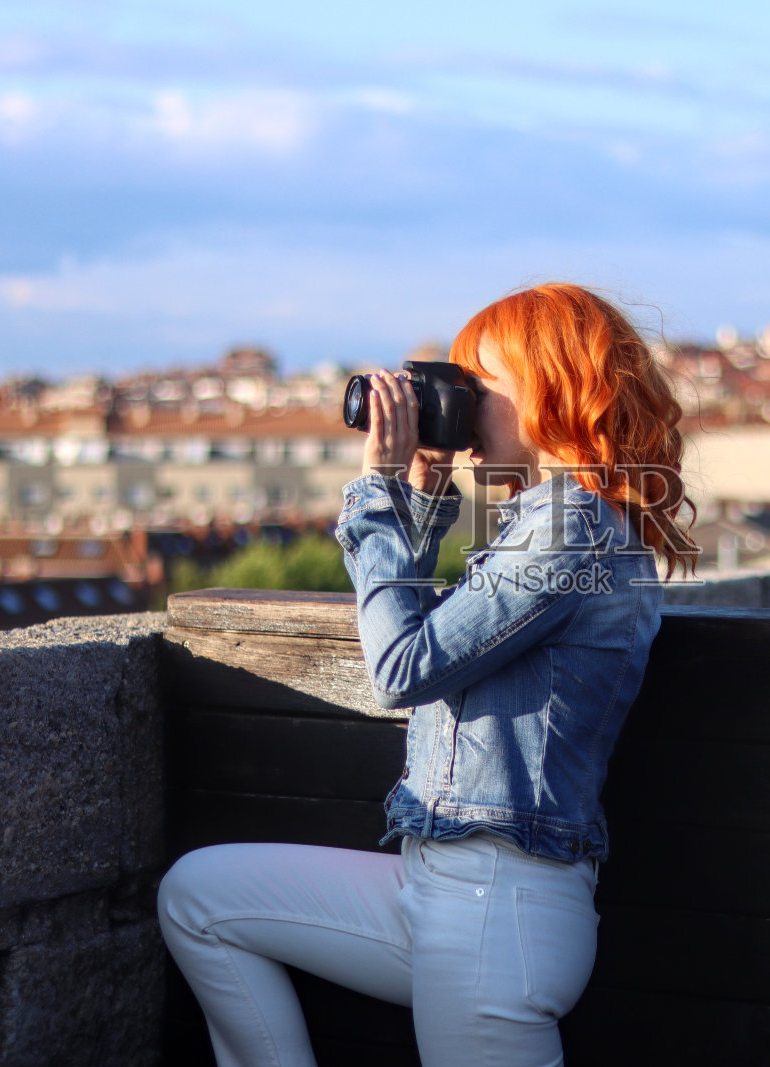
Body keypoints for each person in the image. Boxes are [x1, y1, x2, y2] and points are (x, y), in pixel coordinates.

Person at [157, 283, 697, 1067]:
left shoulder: (571, 529)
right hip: (440, 883)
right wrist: (421, 491)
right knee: (200, 895)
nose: (461, 404)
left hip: (495, 904)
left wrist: (377, 490)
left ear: (548, 388)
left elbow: (401, 666)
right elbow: (427, 637)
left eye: (479, 384)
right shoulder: (548, 522)